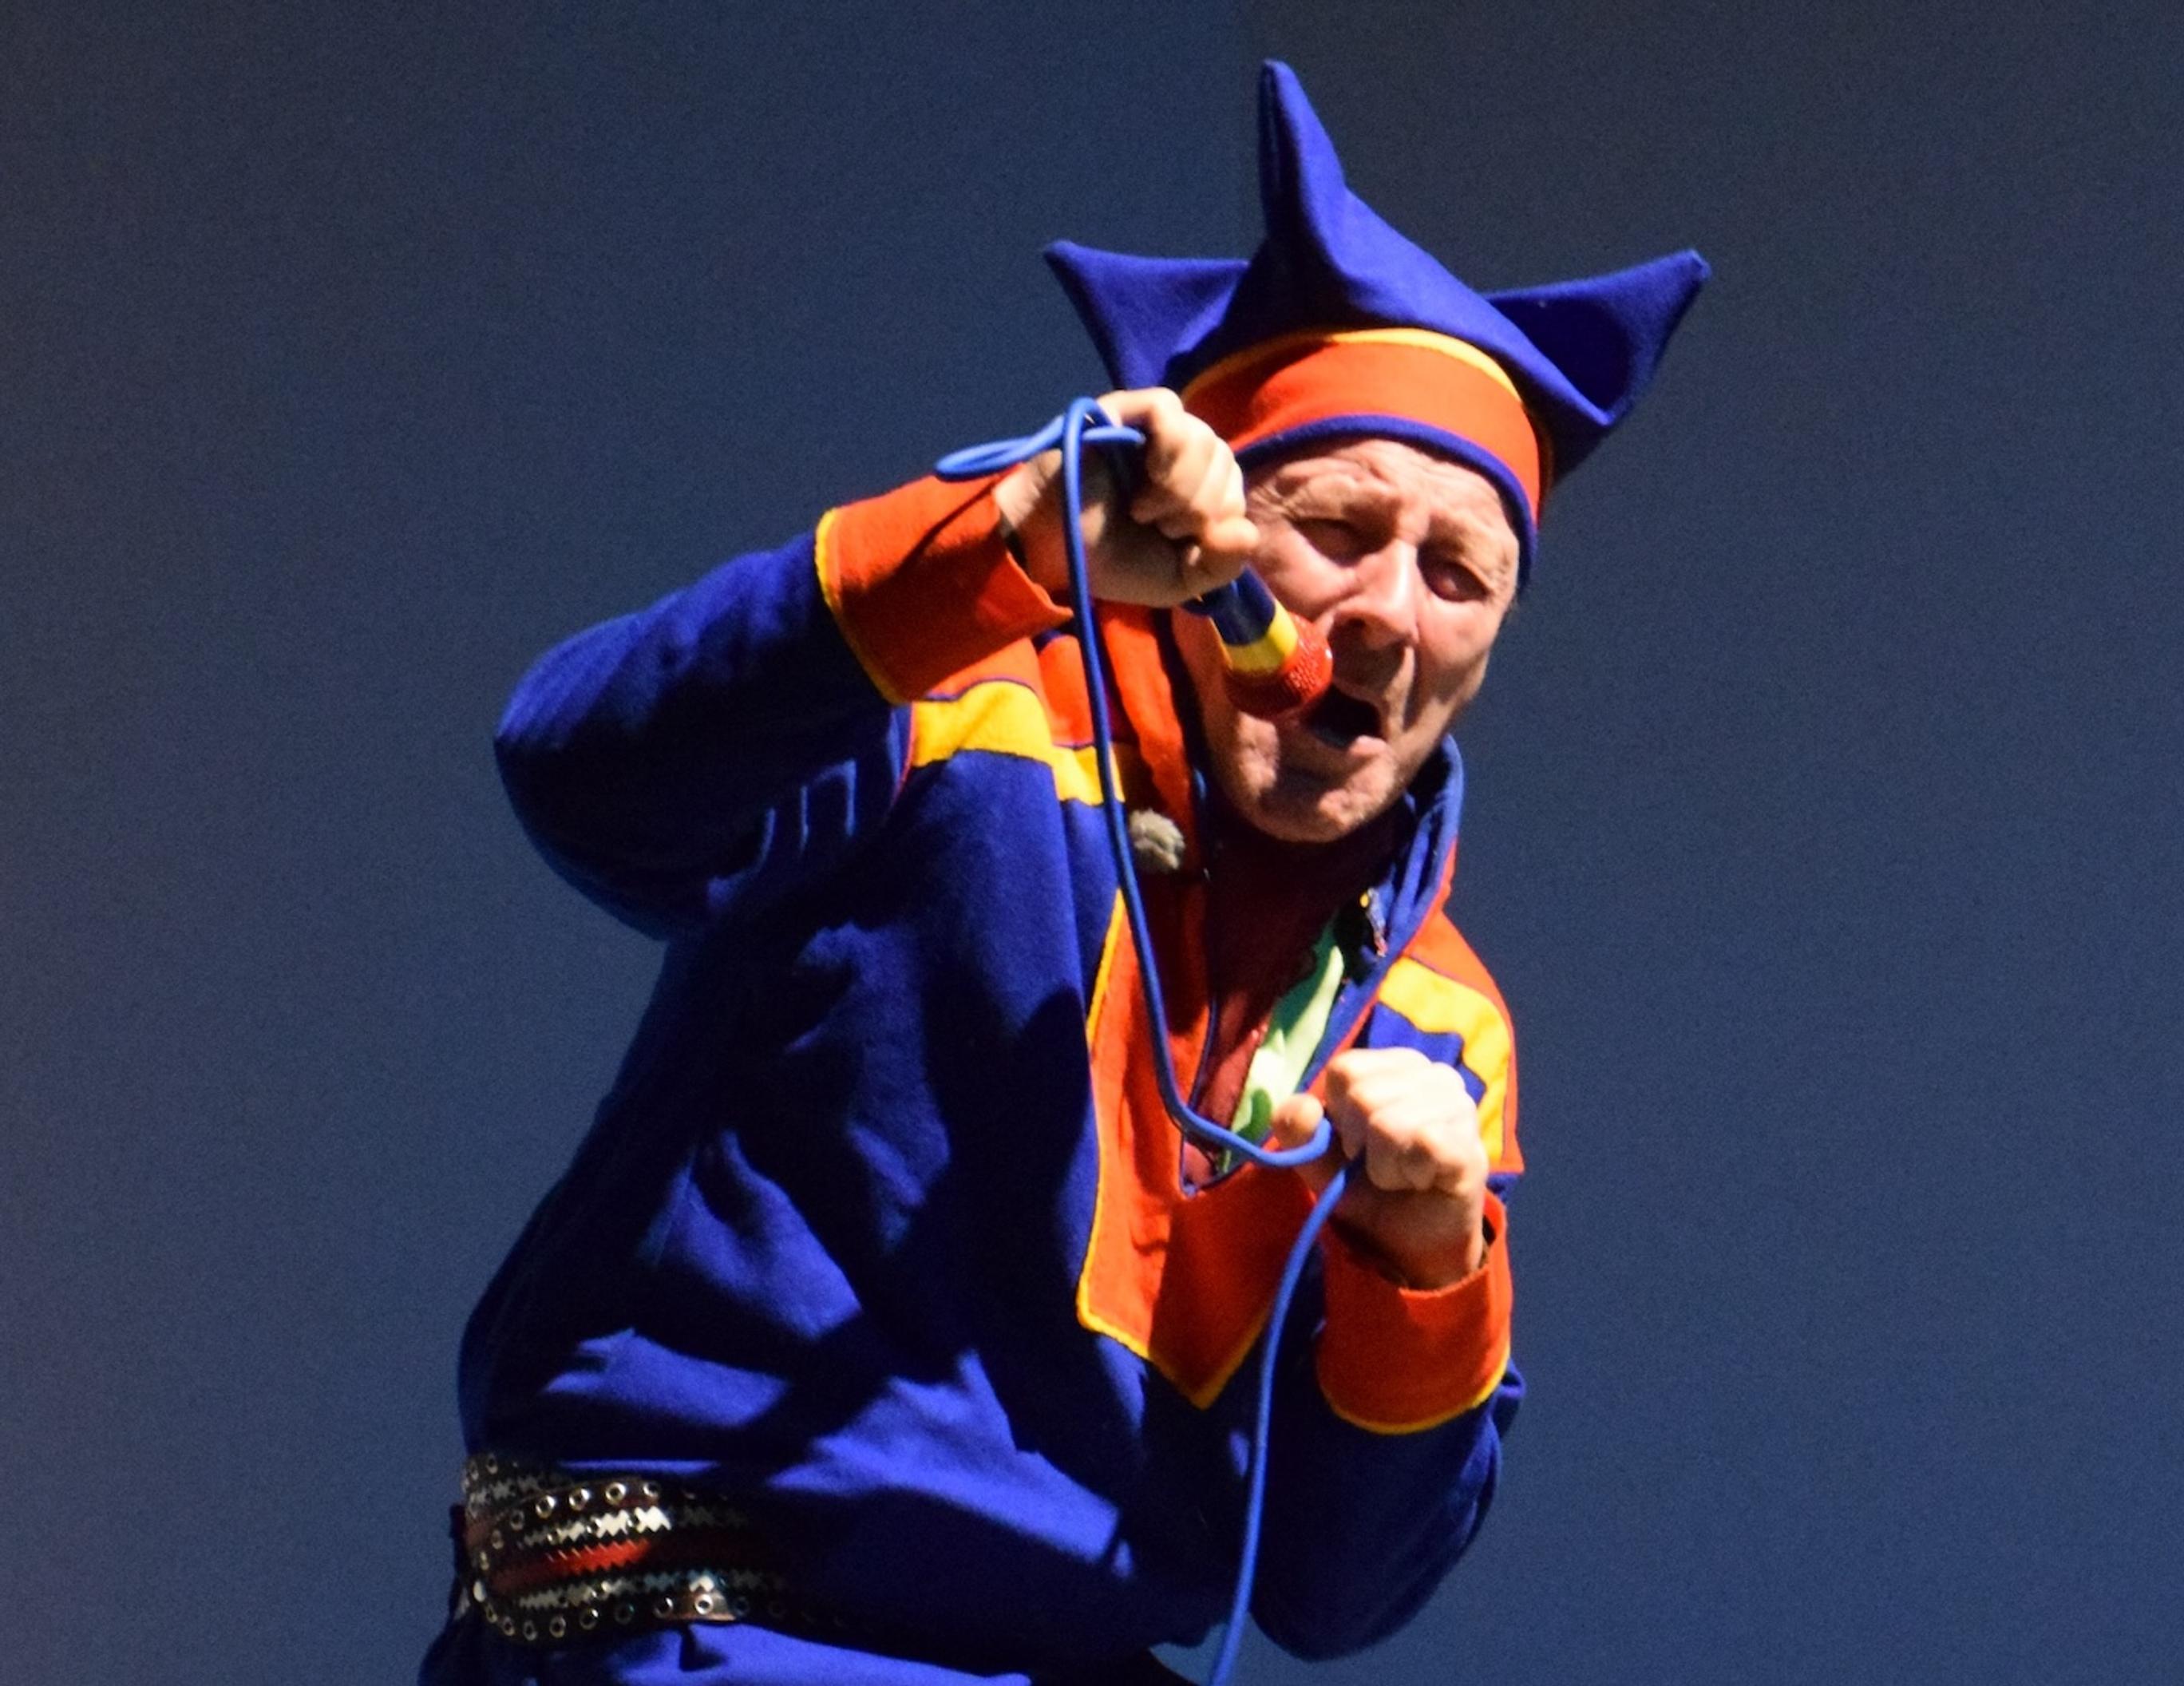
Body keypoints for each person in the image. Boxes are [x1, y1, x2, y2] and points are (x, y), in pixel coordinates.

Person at [423, 62, 1705, 1685]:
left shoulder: (1440, 1016)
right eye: (1339, 527)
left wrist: (1432, 1255)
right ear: (1215, 539)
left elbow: (1332, 1595)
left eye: (1459, 571)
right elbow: (582, 778)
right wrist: (1004, 537)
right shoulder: (965, 697)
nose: (1391, 609)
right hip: (679, 1612)